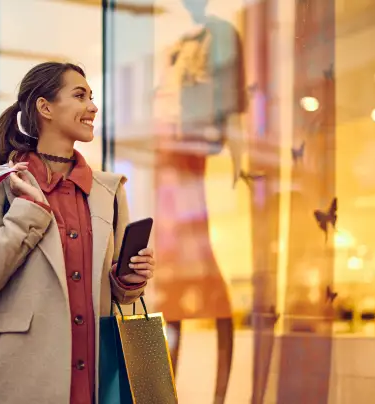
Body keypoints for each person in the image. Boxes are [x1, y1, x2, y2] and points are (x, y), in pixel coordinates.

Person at [0, 62, 155, 404]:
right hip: (20, 379)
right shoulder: (1, 183)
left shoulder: (109, 191)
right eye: (79, 95)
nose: (93, 106)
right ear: (45, 107)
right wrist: (27, 213)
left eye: (92, 97)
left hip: (96, 378)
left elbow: (120, 294)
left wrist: (131, 278)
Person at [152, 0, 246, 403]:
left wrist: (241, 154)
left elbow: (230, 99)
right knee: (171, 285)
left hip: (189, 153)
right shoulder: (174, 45)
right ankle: (162, 392)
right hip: (167, 159)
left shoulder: (219, 35)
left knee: (194, 270)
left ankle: (215, 395)